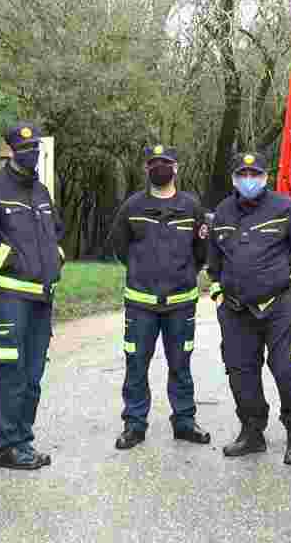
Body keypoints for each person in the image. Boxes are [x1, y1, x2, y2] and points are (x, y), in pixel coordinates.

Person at [207, 151, 291, 465]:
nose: (248, 180)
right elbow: (213, 262)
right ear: (233, 179)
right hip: (235, 311)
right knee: (240, 373)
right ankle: (252, 433)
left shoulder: (286, 208)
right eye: (242, 175)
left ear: (265, 177)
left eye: (254, 174)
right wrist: (218, 293)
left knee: (288, 371)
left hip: (280, 308)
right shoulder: (222, 212)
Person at [0, 122, 64, 470]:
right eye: (25, 148)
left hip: (41, 300)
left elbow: (56, 233)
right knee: (11, 373)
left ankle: (23, 441)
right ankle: (7, 445)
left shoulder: (41, 192)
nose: (32, 153)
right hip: (9, 299)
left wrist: (57, 259)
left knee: (33, 375)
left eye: (36, 147)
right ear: (10, 151)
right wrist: (13, 262)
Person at [108, 144, 212, 449]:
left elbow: (201, 252)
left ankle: (184, 422)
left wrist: (183, 273)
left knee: (181, 364)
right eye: (153, 164)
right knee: (136, 364)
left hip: (181, 303)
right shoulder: (132, 207)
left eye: (165, 163)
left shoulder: (192, 208)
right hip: (141, 304)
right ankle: (134, 425)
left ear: (176, 168)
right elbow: (119, 247)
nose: (159, 168)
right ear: (146, 170)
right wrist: (143, 271)